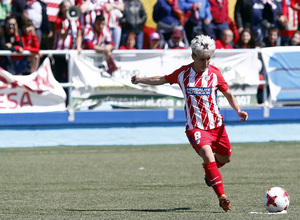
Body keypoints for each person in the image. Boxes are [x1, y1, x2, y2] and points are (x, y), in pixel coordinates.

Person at [131, 34, 248, 212]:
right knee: (208, 156)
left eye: (209, 58)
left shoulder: (215, 73)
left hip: (217, 126)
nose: (206, 62)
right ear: (193, 56)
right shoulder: (183, 73)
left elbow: (228, 94)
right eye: (202, 59)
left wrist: (238, 110)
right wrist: (140, 79)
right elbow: (162, 79)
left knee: (225, 158)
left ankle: (210, 173)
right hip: (196, 128)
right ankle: (222, 197)